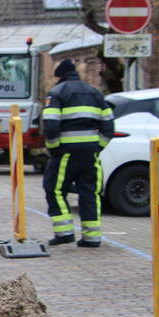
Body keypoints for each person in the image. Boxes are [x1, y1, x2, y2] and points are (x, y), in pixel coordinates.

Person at [42, 58, 114, 248]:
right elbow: (109, 124)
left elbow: (50, 124)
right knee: (89, 192)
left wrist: (54, 148)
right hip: (90, 153)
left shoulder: (57, 93)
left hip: (65, 152)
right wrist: (98, 146)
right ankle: (92, 237)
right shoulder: (95, 93)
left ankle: (64, 233)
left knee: (54, 189)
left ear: (59, 76)